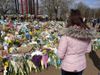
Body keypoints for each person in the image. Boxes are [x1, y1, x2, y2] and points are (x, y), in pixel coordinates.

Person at [58, 9, 94, 75]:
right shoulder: (87, 36)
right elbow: (88, 50)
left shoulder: (66, 36)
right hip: (81, 65)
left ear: (70, 20)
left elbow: (60, 55)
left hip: (68, 66)